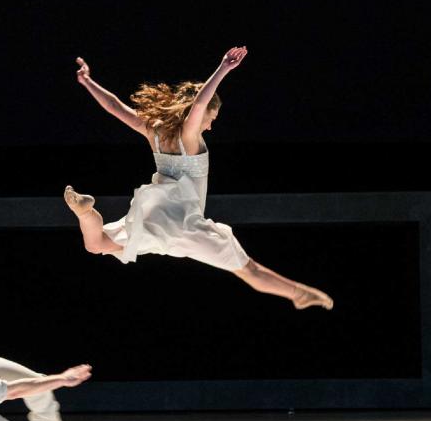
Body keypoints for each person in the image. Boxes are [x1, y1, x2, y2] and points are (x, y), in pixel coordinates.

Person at [64, 47, 333, 309]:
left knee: (97, 244)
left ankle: (85, 212)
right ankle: (299, 293)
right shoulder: (189, 138)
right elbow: (201, 103)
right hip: (184, 223)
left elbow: (114, 107)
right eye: (212, 118)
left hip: (154, 214)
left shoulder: (154, 131)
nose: (210, 124)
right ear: (199, 113)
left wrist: (88, 82)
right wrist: (223, 68)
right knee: (248, 269)